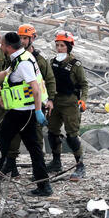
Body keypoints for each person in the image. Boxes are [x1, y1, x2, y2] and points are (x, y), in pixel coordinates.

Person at [0, 32, 50, 196]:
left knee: (2, 143)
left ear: (9, 47)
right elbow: (5, 74)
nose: (1, 47)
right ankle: (44, 186)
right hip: (20, 112)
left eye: (2, 44)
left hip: (23, 113)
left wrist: (38, 110)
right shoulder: (20, 58)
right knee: (32, 147)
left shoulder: (24, 63)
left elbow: (35, 88)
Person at [6, 24, 55, 168]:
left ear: (33, 38)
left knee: (36, 138)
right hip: (17, 105)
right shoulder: (13, 57)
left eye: (25, 38)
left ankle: (38, 169)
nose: (22, 41)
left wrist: (50, 100)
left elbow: (50, 80)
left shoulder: (39, 60)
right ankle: (11, 165)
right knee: (13, 136)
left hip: (35, 105)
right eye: (20, 38)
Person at [45, 31, 88, 179]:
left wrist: (84, 100)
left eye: (62, 45)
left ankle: (80, 165)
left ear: (68, 47)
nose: (59, 48)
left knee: (72, 136)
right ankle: (56, 162)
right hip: (54, 102)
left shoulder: (76, 65)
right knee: (52, 133)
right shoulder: (52, 63)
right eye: (57, 45)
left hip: (70, 103)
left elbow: (84, 85)